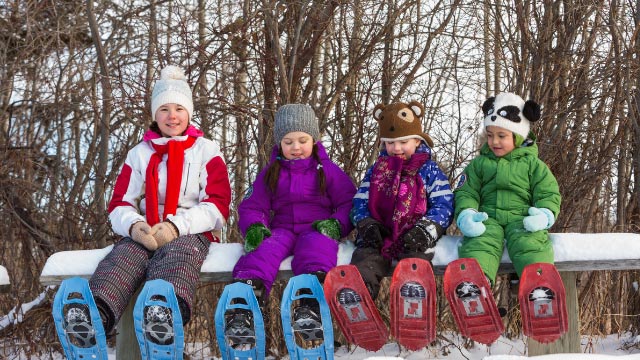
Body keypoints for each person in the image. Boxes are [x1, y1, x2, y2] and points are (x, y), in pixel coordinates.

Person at [61, 65, 231, 347]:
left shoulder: (206, 150)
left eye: (179, 108)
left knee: (179, 254)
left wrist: (177, 226)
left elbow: (217, 205)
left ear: (189, 112)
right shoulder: (140, 154)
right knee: (125, 255)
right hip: (147, 229)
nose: (172, 116)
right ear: (155, 114)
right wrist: (134, 225)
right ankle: (94, 315)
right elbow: (119, 203)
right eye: (164, 109)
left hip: (189, 232)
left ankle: (163, 313)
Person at [229, 104, 356, 339]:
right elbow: (253, 206)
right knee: (264, 250)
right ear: (280, 144)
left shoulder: (327, 170)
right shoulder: (271, 172)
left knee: (316, 249)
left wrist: (336, 224)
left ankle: (310, 305)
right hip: (283, 229)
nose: (296, 147)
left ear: (314, 140)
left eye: (302, 140)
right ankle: (246, 303)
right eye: (288, 142)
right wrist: (255, 227)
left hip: (316, 227)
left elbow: (349, 201)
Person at [454, 92, 561, 289]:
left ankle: (540, 284)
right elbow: (466, 192)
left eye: (501, 136)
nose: (494, 142)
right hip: (488, 219)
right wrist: (467, 214)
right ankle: (476, 284)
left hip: (521, 219)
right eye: (490, 135)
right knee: (480, 240)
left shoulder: (533, 165)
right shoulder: (479, 165)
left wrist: (544, 214)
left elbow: (548, 192)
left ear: (518, 137)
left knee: (530, 242)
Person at [350, 101, 454, 299]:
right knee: (366, 259)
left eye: (403, 142)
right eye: (390, 142)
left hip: (415, 236)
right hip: (379, 234)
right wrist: (366, 224)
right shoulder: (377, 170)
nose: (396, 148)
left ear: (417, 141)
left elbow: (444, 204)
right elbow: (359, 202)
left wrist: (427, 229)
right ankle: (360, 295)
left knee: (415, 262)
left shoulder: (428, 170)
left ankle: (414, 296)